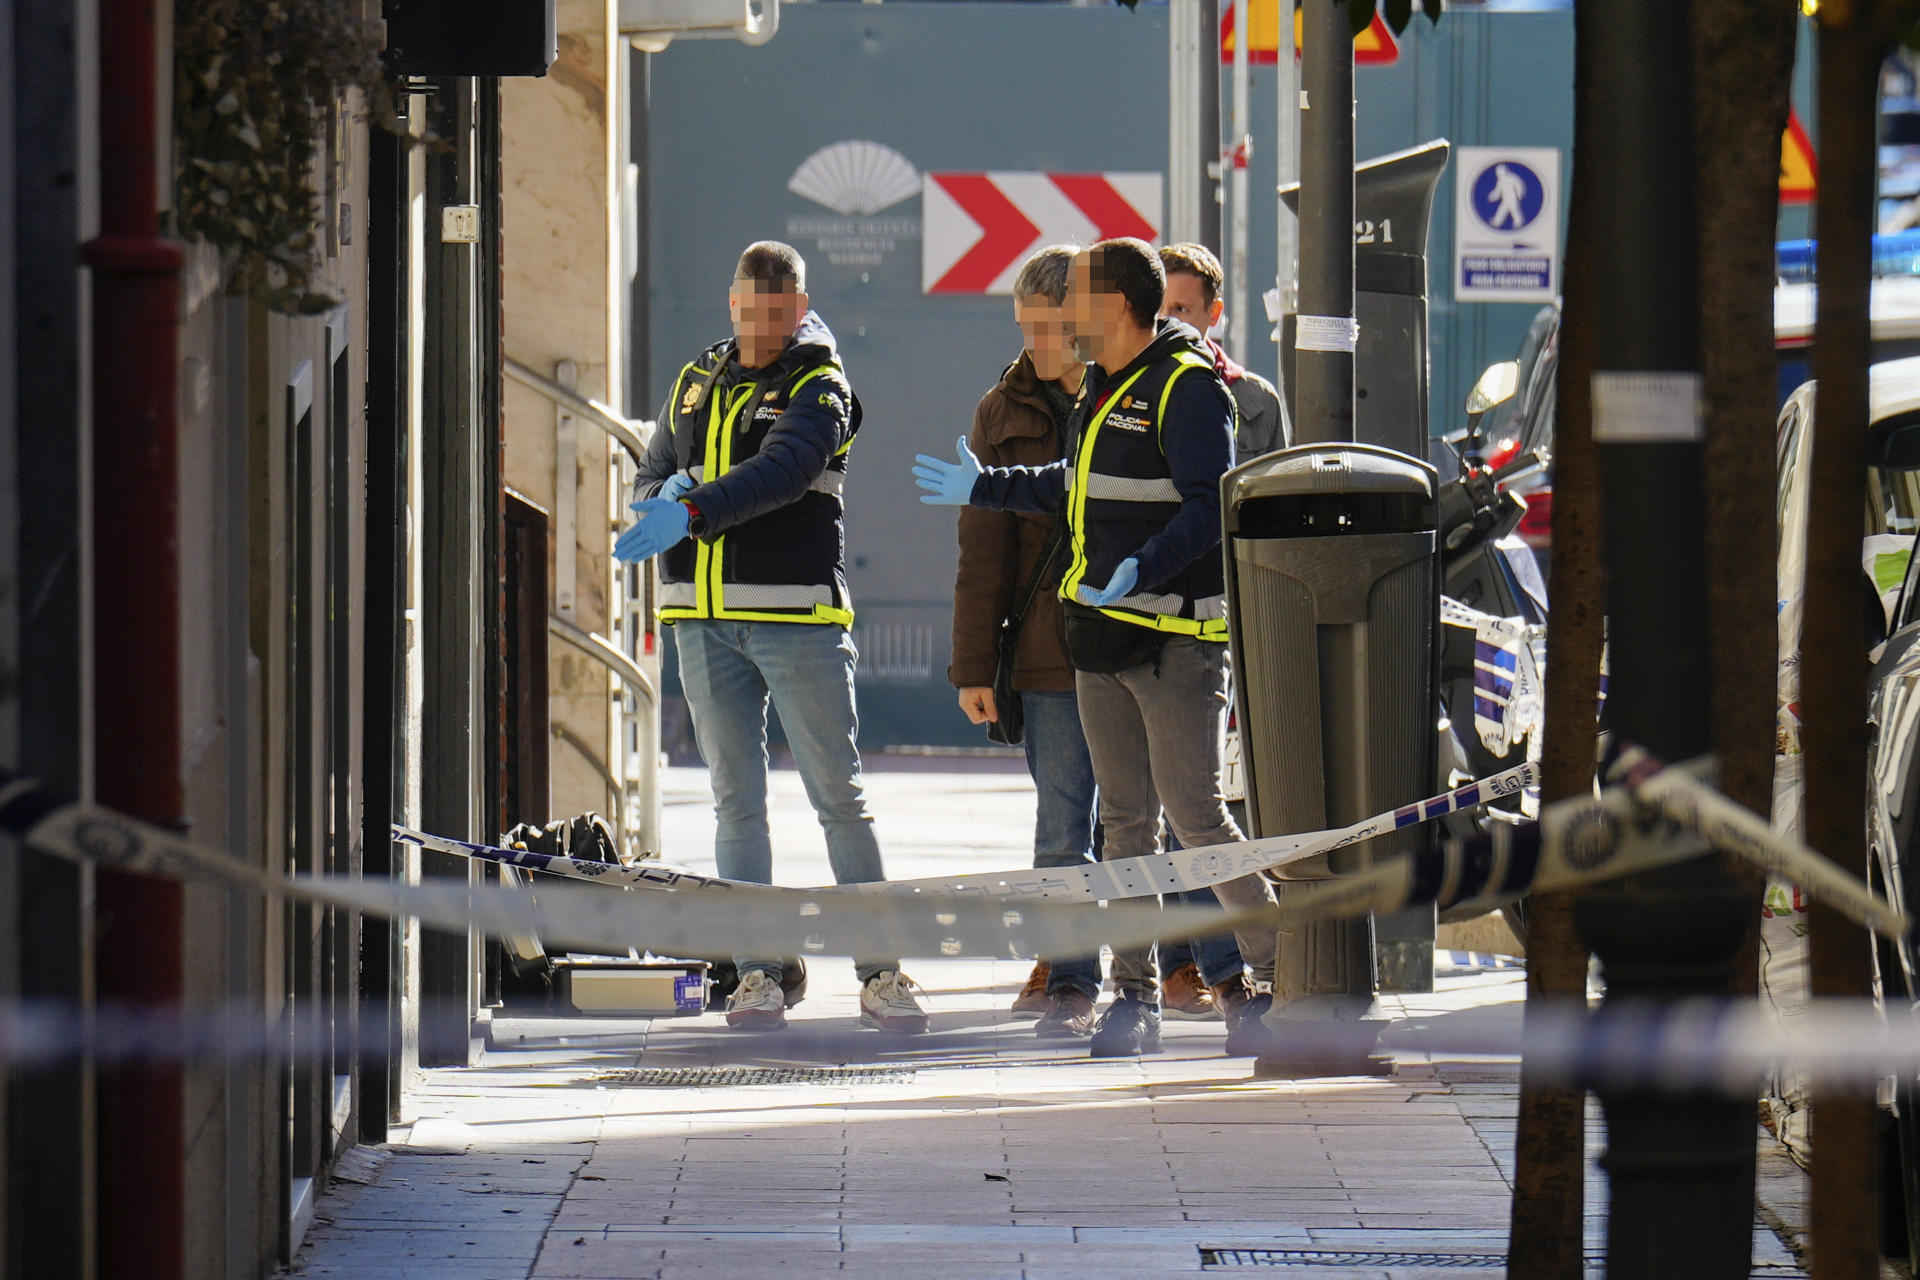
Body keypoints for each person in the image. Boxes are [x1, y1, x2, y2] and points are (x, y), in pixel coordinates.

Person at [914, 238, 1279, 1059]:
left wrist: (1140, 568)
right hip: (1100, 646)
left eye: (1074, 297)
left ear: (1114, 306)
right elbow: (1072, 482)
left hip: (1175, 647)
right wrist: (983, 486)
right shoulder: (1102, 389)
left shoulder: (1189, 389)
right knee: (1124, 828)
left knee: (1196, 817)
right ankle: (1134, 998)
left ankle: (1272, 979)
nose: (1060, 315)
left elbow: (1206, 508)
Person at [617, 240, 928, 1035]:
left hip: (797, 619)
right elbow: (646, 474)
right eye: (750, 311)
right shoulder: (695, 381)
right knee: (735, 803)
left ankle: (881, 972)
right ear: (731, 303)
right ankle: (756, 975)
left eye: (778, 313)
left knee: (838, 797)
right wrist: (665, 490)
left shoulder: (820, 383)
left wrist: (688, 509)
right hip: (701, 618)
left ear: (798, 308)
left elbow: (785, 472)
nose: (762, 327)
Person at [946, 245, 1103, 1038]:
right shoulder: (999, 412)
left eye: (1046, 328)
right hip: (1047, 655)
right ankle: (1072, 979)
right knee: (1062, 826)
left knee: (1136, 825)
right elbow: (984, 554)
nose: (1034, 344)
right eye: (1025, 328)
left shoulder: (1131, 394)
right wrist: (974, 667)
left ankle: (1146, 972)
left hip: (1133, 639)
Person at [1154, 243, 1289, 1019]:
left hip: (1228, 622)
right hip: (1149, 617)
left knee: (1203, 801)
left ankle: (1218, 964)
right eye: (1161, 306)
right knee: (1170, 804)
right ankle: (1186, 967)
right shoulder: (1129, 389)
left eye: (1183, 307)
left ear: (1214, 313)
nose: (1171, 319)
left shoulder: (1256, 400)